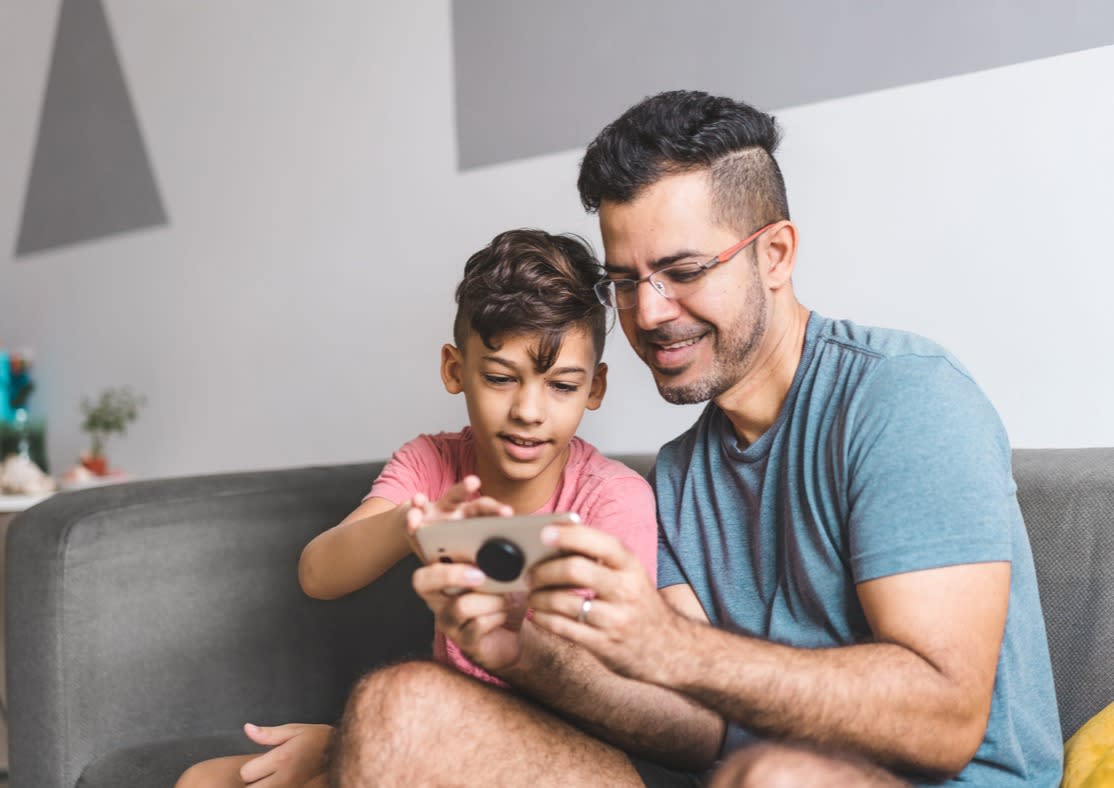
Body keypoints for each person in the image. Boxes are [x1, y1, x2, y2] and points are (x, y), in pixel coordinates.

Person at [329, 91, 1062, 788]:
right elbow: (699, 732)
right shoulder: (677, 478)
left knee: (774, 778)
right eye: (625, 280)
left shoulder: (903, 399)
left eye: (682, 271)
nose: (647, 312)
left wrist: (671, 646)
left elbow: (945, 719)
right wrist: (522, 652)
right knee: (399, 707)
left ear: (774, 255)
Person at [175, 228, 659, 787]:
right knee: (203, 781)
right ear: (455, 371)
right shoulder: (433, 461)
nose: (529, 410)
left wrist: (366, 740)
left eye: (562, 386)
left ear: (594, 387)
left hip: (552, 753)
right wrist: (412, 526)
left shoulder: (612, 499)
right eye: (501, 379)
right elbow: (318, 573)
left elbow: (609, 685)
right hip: (436, 730)